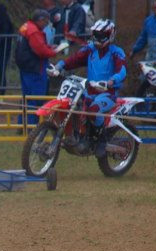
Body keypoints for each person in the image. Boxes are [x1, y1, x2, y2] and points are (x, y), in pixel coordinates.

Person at [49, 19, 125, 157]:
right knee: (73, 105)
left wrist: (111, 81)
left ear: (110, 35)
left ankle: (101, 140)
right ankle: (76, 135)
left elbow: (122, 70)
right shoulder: (90, 49)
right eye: (96, 34)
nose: (98, 38)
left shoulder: (116, 52)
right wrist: (59, 66)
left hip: (107, 93)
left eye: (102, 35)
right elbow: (74, 59)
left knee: (94, 111)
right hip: (89, 90)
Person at [16, 9, 63, 125]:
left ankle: (21, 124)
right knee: (35, 99)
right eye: (46, 22)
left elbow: (36, 46)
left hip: (25, 67)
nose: (47, 25)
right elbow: (41, 51)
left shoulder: (26, 26)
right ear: (41, 20)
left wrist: (48, 47)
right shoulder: (34, 31)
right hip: (35, 68)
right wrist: (54, 51)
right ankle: (32, 125)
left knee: (26, 97)